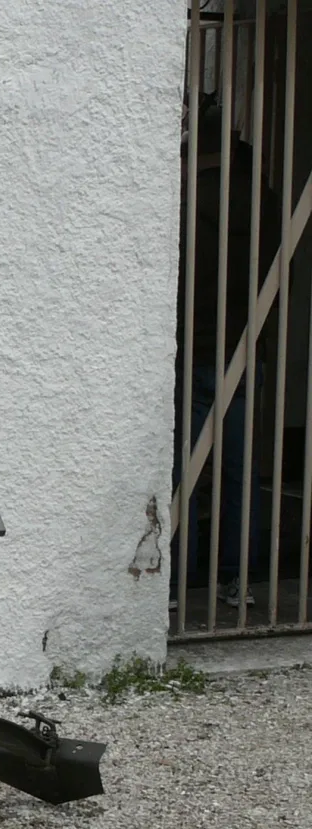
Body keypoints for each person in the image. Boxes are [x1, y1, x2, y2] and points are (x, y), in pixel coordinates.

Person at [172, 103, 278, 610]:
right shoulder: (261, 197)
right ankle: (237, 579)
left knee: (185, 472)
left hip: (192, 348)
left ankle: (175, 581)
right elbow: (278, 272)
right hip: (241, 347)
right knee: (241, 470)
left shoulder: (185, 196)